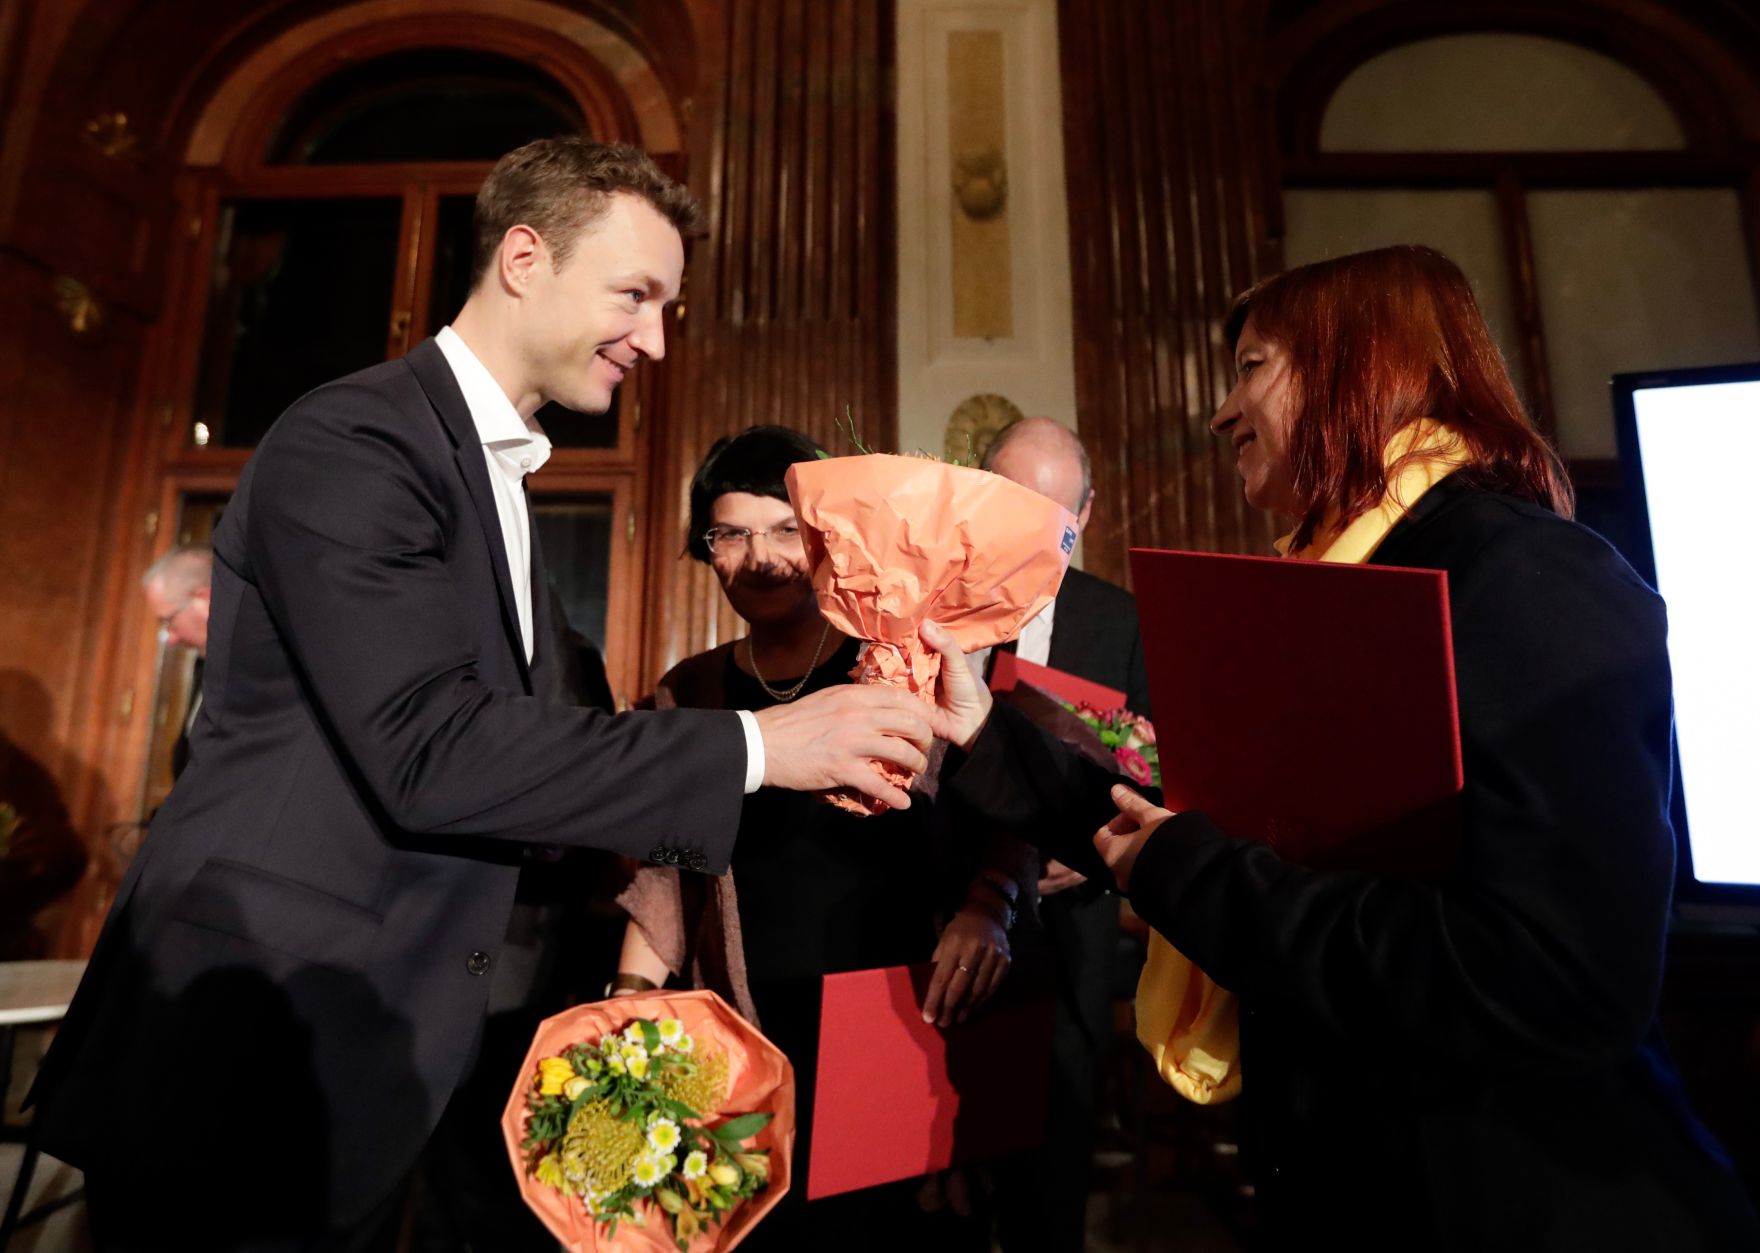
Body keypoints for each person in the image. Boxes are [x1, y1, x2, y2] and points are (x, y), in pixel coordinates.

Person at [30, 139, 935, 1251]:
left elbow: (530, 751)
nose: (653, 338)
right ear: (522, 258)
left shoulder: (496, 475)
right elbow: (430, 748)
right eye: (634, 295)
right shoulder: (357, 439)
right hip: (252, 1049)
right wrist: (758, 744)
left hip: (391, 1048)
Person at [918, 246, 1760, 1250]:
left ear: (1360, 364)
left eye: (1249, 368)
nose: (1221, 412)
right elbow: (1182, 819)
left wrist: (1185, 865)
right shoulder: (1337, 582)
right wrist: (976, 725)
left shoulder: (1523, 573)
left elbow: (1556, 973)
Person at [615, 424, 1021, 1250]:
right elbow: (663, 871)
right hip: (747, 1025)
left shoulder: (898, 667)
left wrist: (989, 908)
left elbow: (1008, 812)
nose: (760, 556)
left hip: (898, 1028)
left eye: (782, 530)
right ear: (708, 551)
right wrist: (627, 1001)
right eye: (730, 533)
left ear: (826, 539)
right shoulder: (690, 693)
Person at [979, 416, 1149, 1252]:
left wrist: (1088, 858)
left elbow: (1154, 775)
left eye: (1062, 518)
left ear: (1089, 510)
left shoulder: (1121, 622)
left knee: (1053, 1187)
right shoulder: (928, 612)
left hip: (1071, 937)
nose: (1042, 535)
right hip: (945, 929)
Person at [141, 544, 212, 778]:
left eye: (169, 620)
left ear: (203, 599)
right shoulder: (202, 664)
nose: (170, 637)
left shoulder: (254, 670)